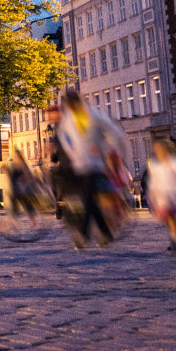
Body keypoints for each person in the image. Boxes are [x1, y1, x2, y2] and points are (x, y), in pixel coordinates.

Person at [56, 90, 125, 247]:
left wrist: (104, 148)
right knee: (90, 200)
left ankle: (83, 235)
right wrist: (71, 152)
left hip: (96, 164)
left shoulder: (95, 116)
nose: (73, 109)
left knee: (88, 198)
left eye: (74, 106)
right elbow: (63, 135)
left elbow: (115, 132)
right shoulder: (69, 118)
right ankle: (104, 233)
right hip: (80, 165)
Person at [146, 139, 176, 251]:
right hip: (162, 197)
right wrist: (152, 195)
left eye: (160, 150)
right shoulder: (156, 165)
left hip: (174, 196)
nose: (159, 153)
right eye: (157, 151)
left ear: (166, 151)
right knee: (168, 220)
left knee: (173, 218)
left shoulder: (174, 163)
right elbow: (153, 182)